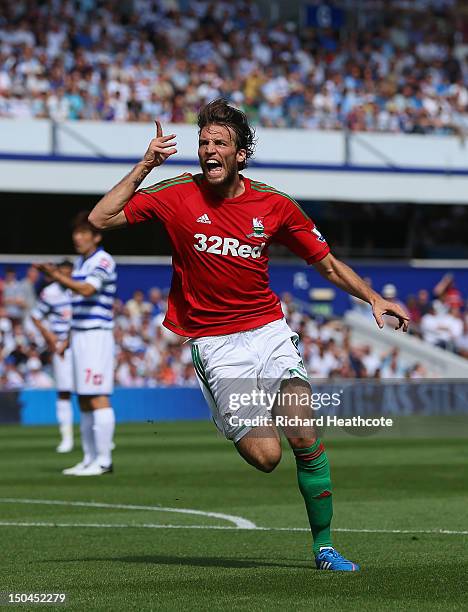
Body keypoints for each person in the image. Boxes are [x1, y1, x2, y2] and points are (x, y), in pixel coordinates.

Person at [88, 99, 409, 571]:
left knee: (303, 431)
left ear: (240, 154)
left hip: (268, 331)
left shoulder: (274, 205)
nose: (208, 150)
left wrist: (373, 298)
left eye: (220, 143)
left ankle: (325, 547)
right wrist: (145, 165)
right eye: (203, 143)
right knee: (267, 457)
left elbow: (327, 263)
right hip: (216, 346)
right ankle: (233, 413)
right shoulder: (175, 193)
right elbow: (100, 219)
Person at [38, 213, 117, 476]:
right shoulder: (82, 261)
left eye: (84, 233)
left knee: (97, 396)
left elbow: (87, 290)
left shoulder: (102, 260)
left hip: (96, 335)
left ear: (97, 236)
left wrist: (56, 277)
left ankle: (104, 461)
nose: (78, 237)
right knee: (83, 398)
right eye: (76, 233)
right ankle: (89, 458)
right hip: (80, 335)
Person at [31, 260, 75, 453]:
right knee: (64, 391)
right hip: (61, 348)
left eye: (69, 273)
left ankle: (97, 437)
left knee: (89, 392)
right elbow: (36, 315)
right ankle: (67, 438)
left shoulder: (81, 289)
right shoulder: (50, 293)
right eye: (62, 273)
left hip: (82, 344)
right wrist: (49, 336)